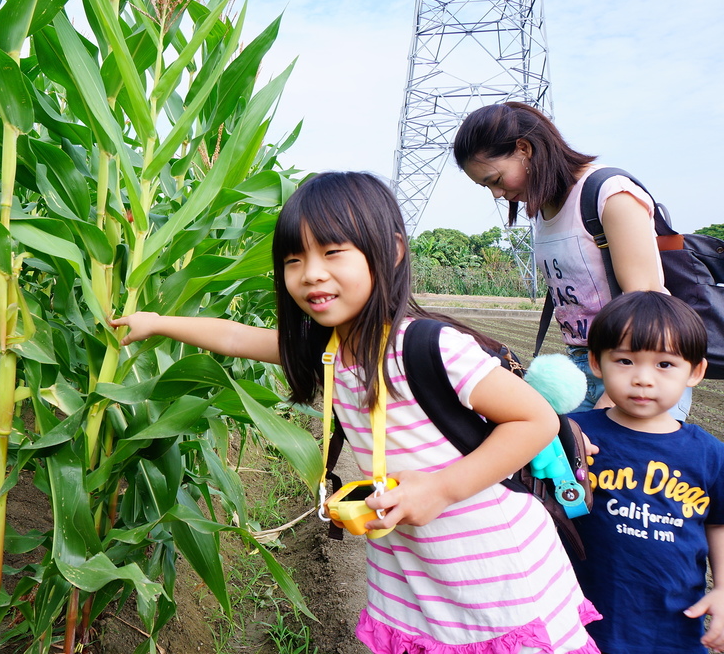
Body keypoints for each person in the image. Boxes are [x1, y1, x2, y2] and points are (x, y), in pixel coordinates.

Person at [112, 171, 599, 653]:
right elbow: (237, 337)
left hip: (491, 569)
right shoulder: (328, 350)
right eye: (293, 259)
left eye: (331, 252)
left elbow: (536, 419)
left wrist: (442, 487)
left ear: (391, 251)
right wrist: (157, 323)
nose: (311, 273)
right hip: (412, 567)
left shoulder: (427, 346)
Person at [451, 101, 692, 421]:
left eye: (495, 179)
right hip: (581, 367)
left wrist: (618, 392)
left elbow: (647, 297)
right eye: (486, 186)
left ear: (524, 149)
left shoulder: (609, 193)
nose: (496, 194)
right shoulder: (544, 210)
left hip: (636, 366)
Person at [566, 291, 724, 653]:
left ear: (696, 371)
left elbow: (719, 522)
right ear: (596, 363)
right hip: (581, 617)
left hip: (672, 626)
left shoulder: (710, 455)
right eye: (624, 361)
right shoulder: (573, 434)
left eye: (664, 365)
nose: (642, 379)